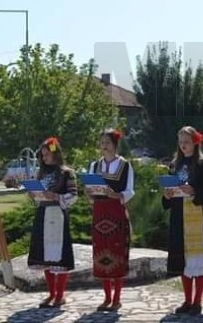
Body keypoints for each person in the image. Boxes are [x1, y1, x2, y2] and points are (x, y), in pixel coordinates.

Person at [162, 126, 203, 317]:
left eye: (186, 141)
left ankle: (197, 301)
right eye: (180, 141)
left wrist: (193, 191)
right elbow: (168, 187)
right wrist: (167, 195)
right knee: (183, 258)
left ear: (195, 142)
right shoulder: (174, 164)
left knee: (198, 259)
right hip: (179, 216)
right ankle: (186, 300)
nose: (183, 145)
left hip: (197, 215)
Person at [86, 128, 135, 312]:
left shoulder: (125, 165)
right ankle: (106, 297)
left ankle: (117, 298)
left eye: (107, 143)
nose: (104, 146)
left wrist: (114, 194)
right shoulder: (94, 166)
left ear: (115, 145)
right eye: (102, 143)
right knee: (101, 253)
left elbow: (130, 191)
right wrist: (89, 192)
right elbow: (89, 190)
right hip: (99, 213)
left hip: (116, 213)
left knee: (117, 253)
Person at [27, 137, 77, 308]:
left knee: (58, 255)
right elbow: (36, 196)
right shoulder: (40, 173)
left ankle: (60, 295)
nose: (45, 158)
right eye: (43, 156)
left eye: (47, 155)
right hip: (42, 214)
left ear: (55, 153)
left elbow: (73, 195)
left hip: (57, 215)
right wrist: (33, 195)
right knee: (45, 256)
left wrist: (56, 196)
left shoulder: (66, 173)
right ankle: (51, 293)